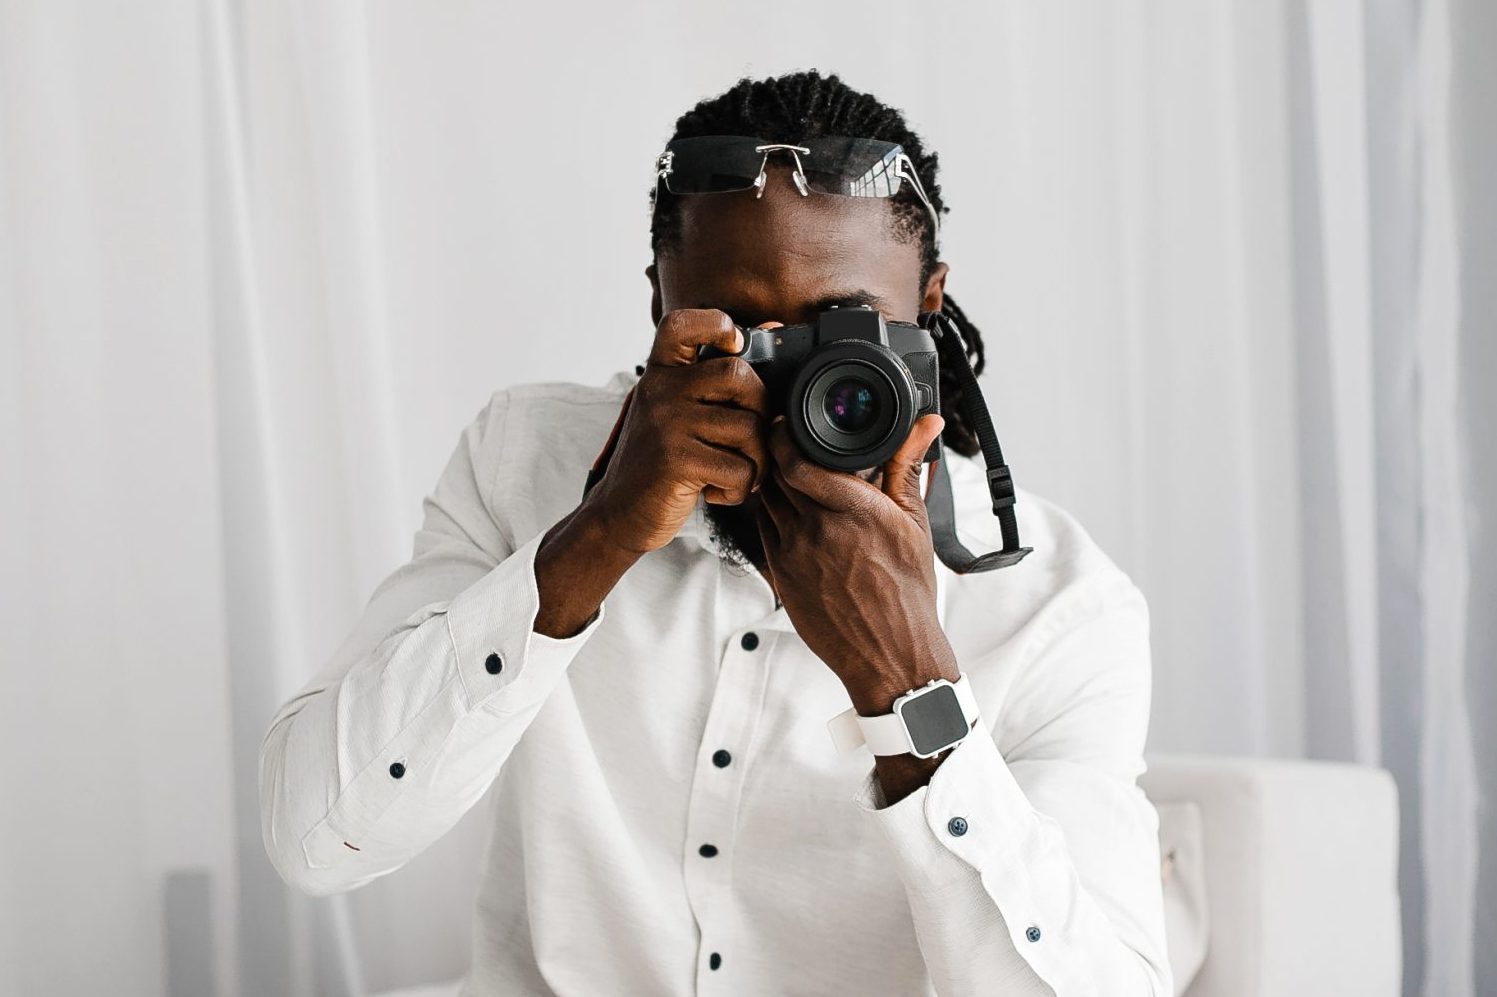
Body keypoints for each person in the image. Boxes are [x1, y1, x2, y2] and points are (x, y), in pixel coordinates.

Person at [259, 69, 1172, 996]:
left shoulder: (1057, 607)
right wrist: (595, 537)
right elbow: (315, 842)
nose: (794, 391)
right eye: (742, 333)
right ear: (660, 303)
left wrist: (908, 684)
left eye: (842, 332)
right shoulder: (522, 459)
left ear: (927, 307)